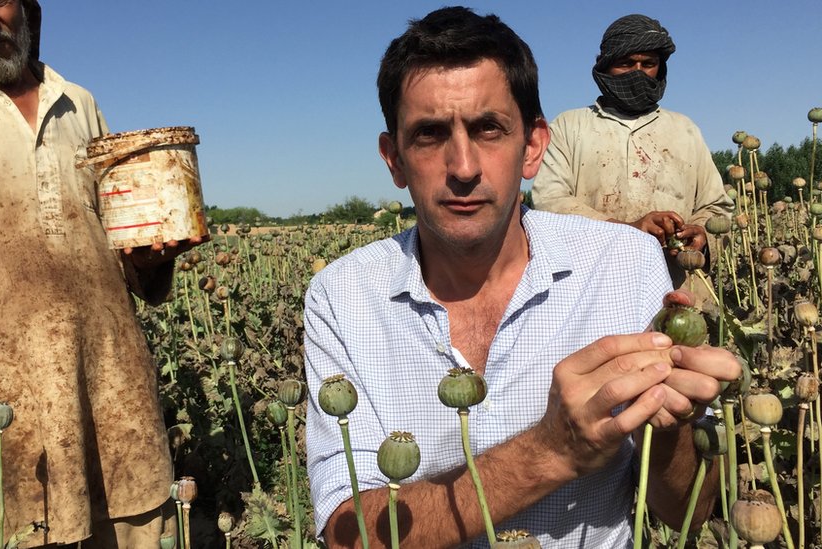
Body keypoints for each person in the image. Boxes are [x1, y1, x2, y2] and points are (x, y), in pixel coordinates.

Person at [304, 7, 740, 548]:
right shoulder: (342, 297)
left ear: (533, 146)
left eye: (489, 129)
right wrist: (550, 453)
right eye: (430, 135)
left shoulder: (627, 266)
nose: (463, 167)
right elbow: (349, 536)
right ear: (394, 160)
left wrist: (671, 423)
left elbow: (689, 515)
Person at [0, 1, 202, 547]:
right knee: (24, 531)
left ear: (27, 8)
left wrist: (152, 257)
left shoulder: (79, 103)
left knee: (141, 522)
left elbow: (125, 252)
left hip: (114, 394)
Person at [531, 14, 733, 290]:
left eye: (648, 64)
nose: (638, 72)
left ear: (659, 70)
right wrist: (627, 229)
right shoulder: (569, 126)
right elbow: (549, 204)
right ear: (605, 66)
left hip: (672, 290)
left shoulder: (684, 130)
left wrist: (699, 232)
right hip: (590, 288)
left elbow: (717, 206)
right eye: (626, 63)